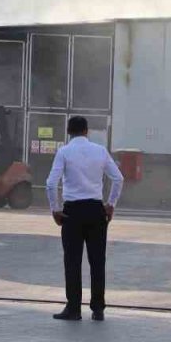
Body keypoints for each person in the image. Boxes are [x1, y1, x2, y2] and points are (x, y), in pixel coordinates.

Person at [45, 116, 124, 321]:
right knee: (97, 261)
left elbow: (51, 184)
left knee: (72, 261)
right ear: (86, 131)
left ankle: (73, 309)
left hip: (72, 212)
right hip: (96, 211)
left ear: (68, 131)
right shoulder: (100, 151)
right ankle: (98, 309)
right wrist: (111, 204)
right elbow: (118, 178)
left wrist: (55, 209)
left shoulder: (64, 152)